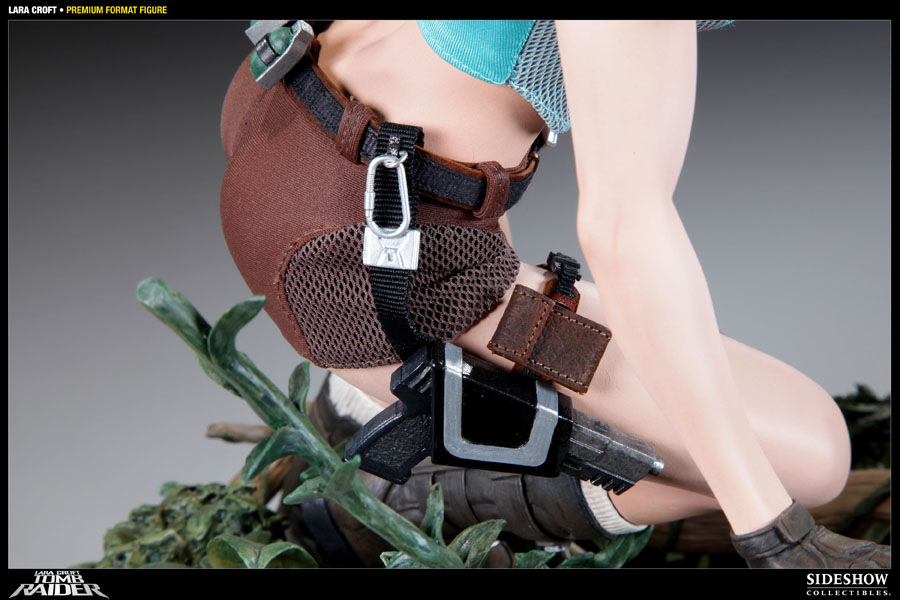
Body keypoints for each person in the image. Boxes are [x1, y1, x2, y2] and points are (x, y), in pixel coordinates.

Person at [220, 20, 890, 568]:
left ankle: (373, 396)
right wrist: (776, 533)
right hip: (373, 267)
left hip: (288, 113)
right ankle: (404, 488)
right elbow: (623, 231)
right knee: (811, 454)